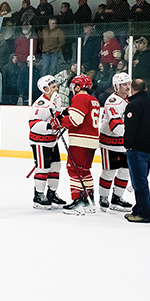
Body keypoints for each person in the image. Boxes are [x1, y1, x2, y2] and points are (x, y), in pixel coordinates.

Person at [56, 74, 101, 214]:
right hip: (92, 140)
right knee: (85, 171)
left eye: (73, 85)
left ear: (77, 86)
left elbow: (76, 120)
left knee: (74, 170)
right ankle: (89, 198)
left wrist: (60, 121)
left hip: (80, 140)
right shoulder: (94, 100)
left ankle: (78, 202)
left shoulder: (79, 97)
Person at [28, 75, 68, 209]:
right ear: (45, 89)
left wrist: (64, 116)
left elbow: (56, 115)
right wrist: (50, 126)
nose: (57, 89)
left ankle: (51, 193)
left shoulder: (55, 100)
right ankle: (38, 196)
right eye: (53, 87)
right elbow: (33, 123)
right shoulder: (40, 104)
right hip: (40, 141)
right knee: (43, 168)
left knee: (56, 166)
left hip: (52, 140)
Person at [97, 72, 133, 212]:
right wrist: (134, 135)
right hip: (109, 143)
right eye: (124, 84)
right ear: (116, 86)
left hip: (125, 143)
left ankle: (117, 198)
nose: (127, 87)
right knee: (109, 171)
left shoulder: (129, 100)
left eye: (129, 84)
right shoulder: (112, 102)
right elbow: (117, 127)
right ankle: (103, 197)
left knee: (124, 171)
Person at [123, 79, 150, 222]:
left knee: (139, 183)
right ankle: (139, 208)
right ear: (145, 89)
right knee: (141, 181)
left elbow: (131, 128)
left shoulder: (134, 105)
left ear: (132, 89)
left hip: (138, 149)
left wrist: (128, 144)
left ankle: (144, 213)